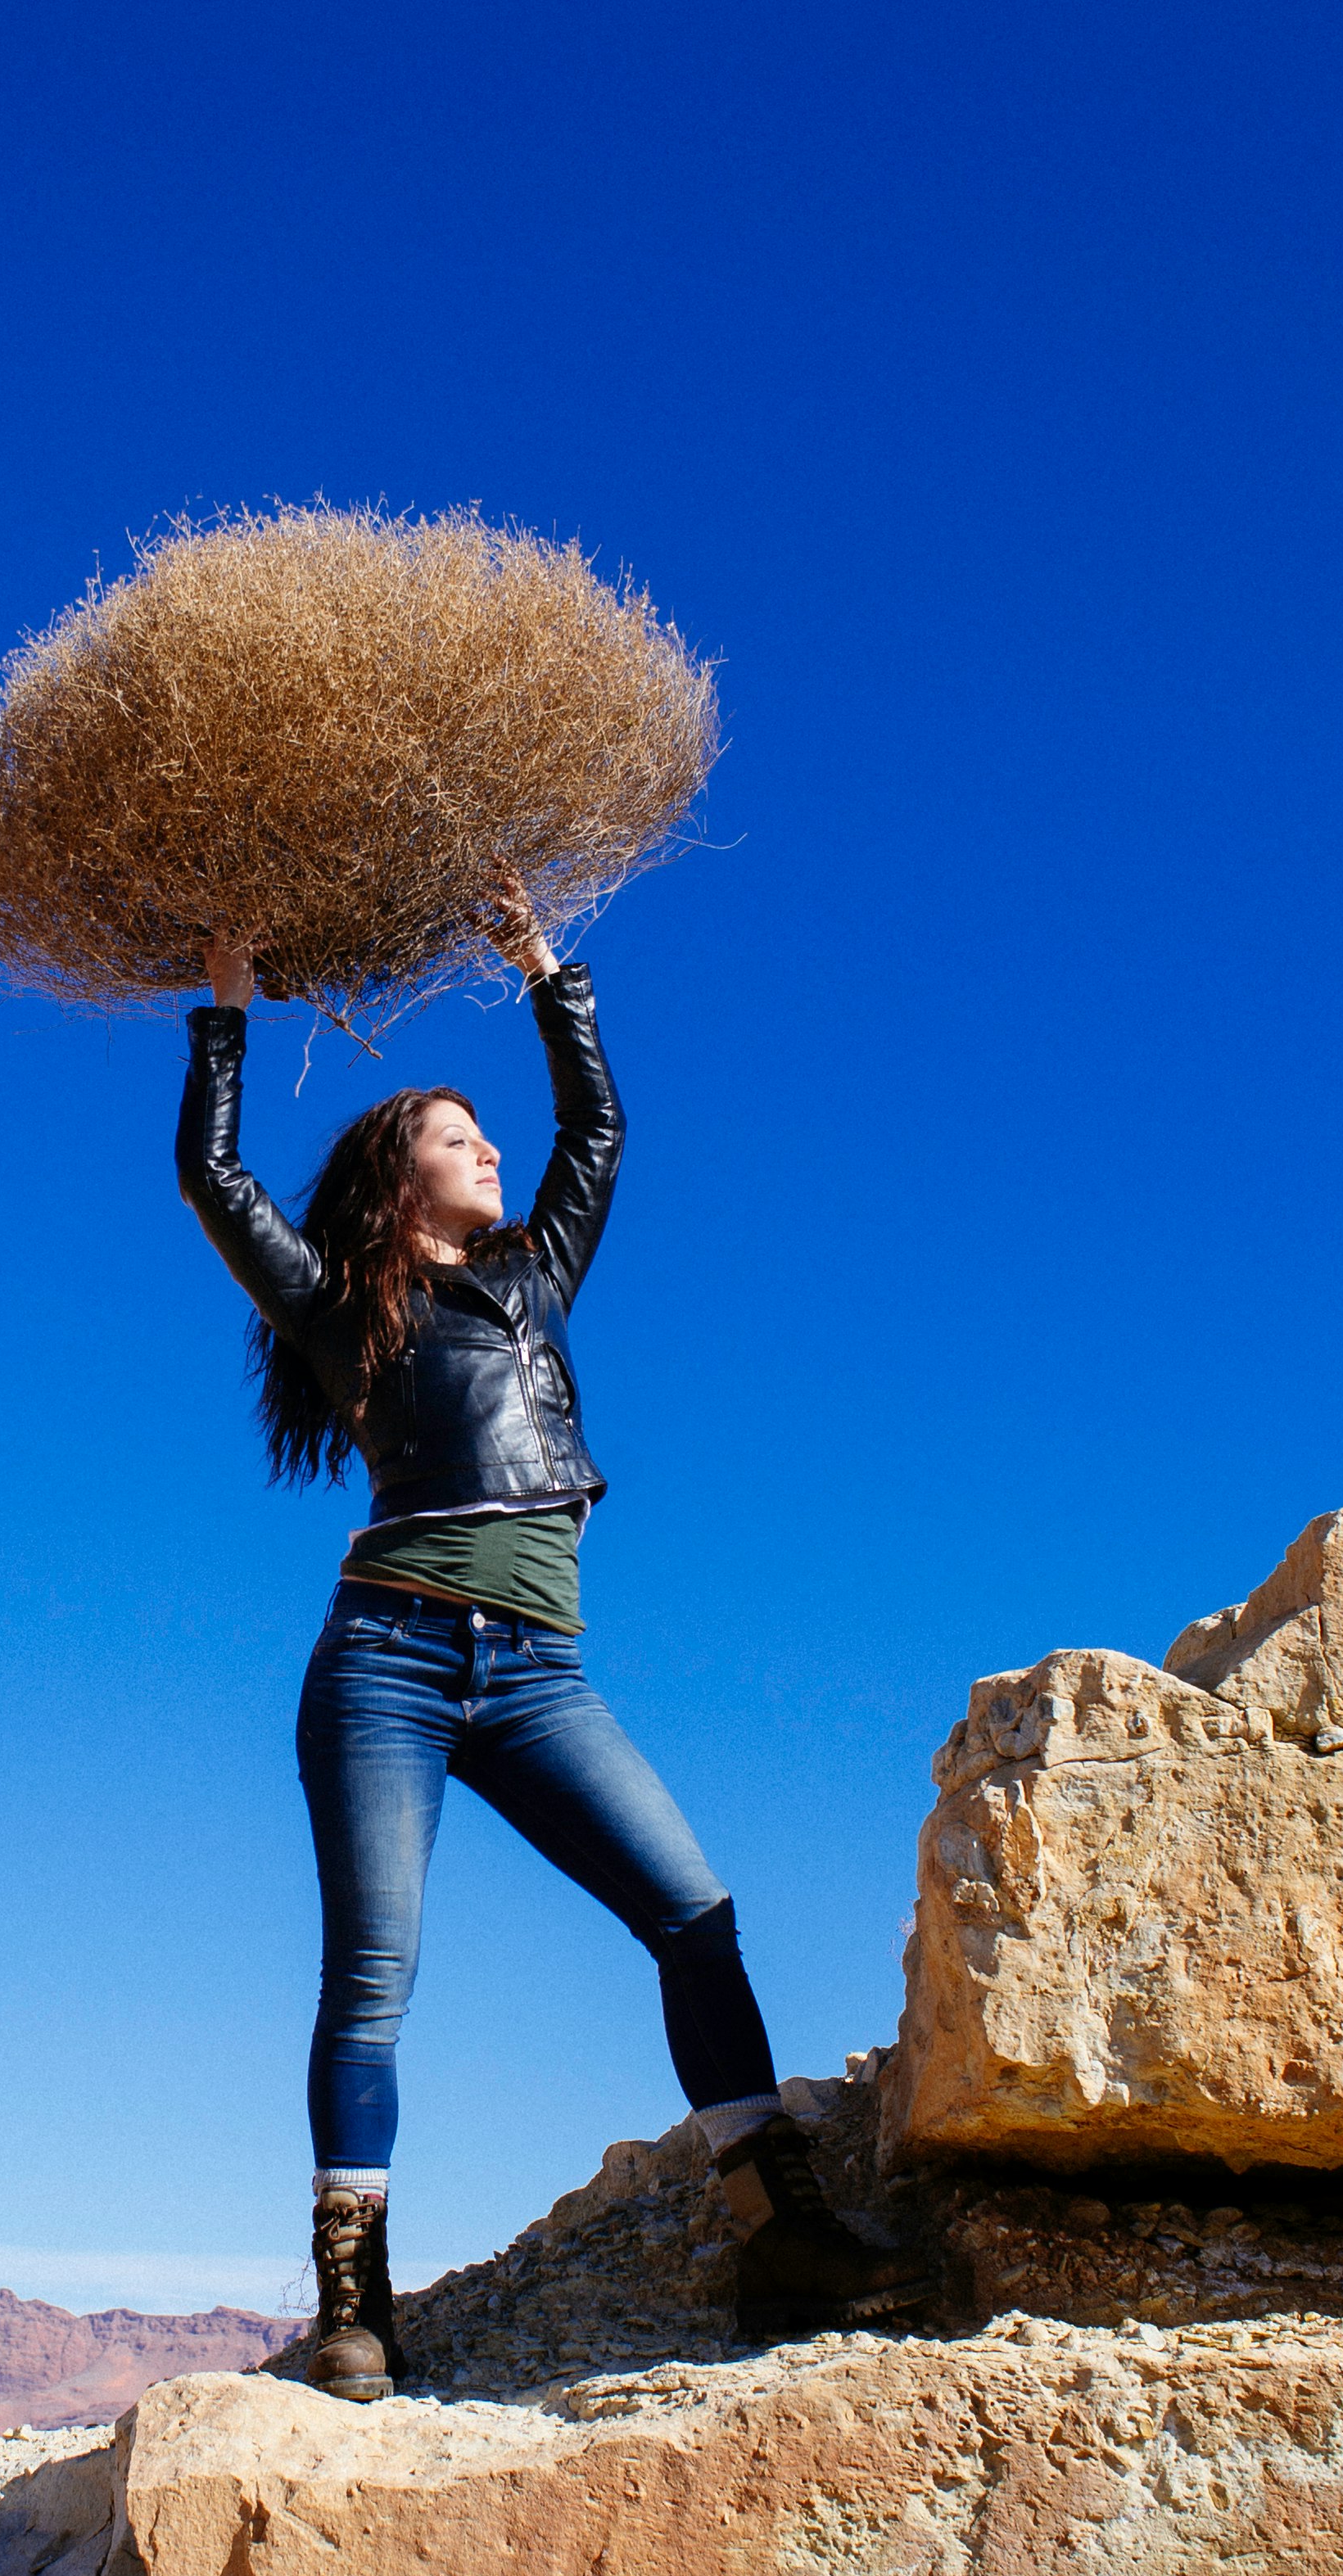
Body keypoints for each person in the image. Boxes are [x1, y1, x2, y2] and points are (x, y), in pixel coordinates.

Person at [176, 883, 929, 2402]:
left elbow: (597, 1132)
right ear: (401, 1182)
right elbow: (211, 1174)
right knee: (371, 1985)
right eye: (461, 1137)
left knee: (693, 1917)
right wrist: (226, 1007)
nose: (492, 1150)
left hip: (537, 1674)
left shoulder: (533, 1281)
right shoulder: (337, 1303)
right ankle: (359, 2315)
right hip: (385, 1662)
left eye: (484, 1134)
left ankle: (779, 2232)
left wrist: (544, 970)